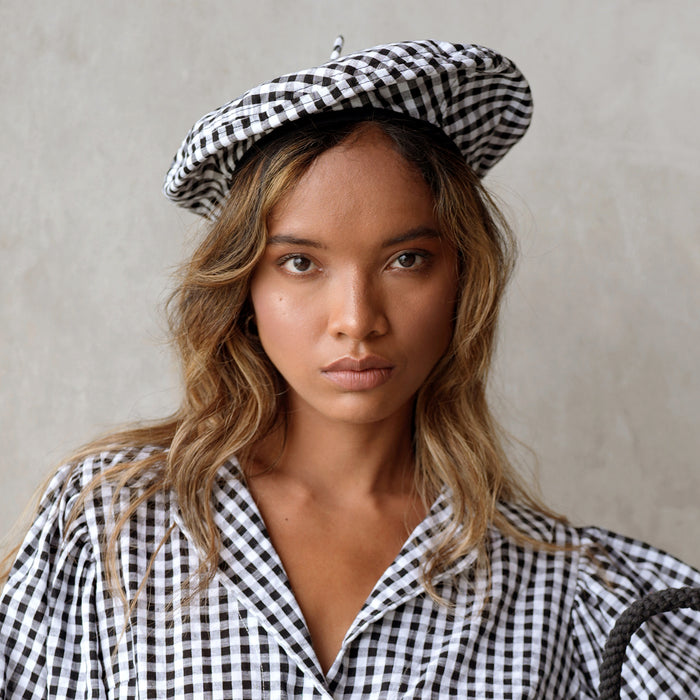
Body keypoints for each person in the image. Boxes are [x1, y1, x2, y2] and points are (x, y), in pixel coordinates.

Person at [1, 39, 699, 699]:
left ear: (464, 278)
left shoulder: (569, 591)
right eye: (300, 263)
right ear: (244, 286)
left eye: (406, 260)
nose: (357, 318)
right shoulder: (111, 528)